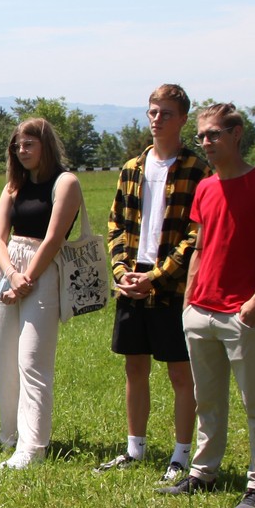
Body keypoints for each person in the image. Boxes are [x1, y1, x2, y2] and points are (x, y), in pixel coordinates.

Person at [160, 103, 255, 508]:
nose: (206, 142)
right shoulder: (205, 188)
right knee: (207, 399)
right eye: (202, 136)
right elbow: (201, 245)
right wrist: (189, 299)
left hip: (243, 313)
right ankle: (203, 473)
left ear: (236, 134)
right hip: (200, 310)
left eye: (214, 134)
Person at [96, 84, 205, 482]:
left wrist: (156, 276)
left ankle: (181, 455)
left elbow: (196, 234)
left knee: (180, 373)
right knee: (135, 366)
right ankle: (135, 448)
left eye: (166, 113)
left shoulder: (196, 170)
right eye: (153, 112)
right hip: (132, 279)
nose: (157, 120)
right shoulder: (132, 168)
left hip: (173, 285)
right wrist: (121, 272)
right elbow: (116, 224)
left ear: (183, 119)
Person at [0, 117, 83, 469]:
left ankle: (33, 447)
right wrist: (12, 275)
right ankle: (9, 436)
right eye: (17, 146)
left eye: (29, 144)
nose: (22, 151)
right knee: (5, 359)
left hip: (43, 270)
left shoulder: (66, 182)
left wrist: (26, 279)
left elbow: (55, 238)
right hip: (7, 269)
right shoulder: (13, 186)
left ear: (46, 145)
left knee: (32, 361)